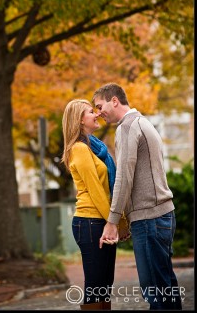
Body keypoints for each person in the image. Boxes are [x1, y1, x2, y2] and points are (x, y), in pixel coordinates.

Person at [92, 83, 182, 311]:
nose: (98, 112)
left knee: (156, 292)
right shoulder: (144, 123)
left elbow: (124, 176)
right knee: (166, 287)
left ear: (114, 100)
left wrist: (112, 221)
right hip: (162, 216)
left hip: (149, 219)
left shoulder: (127, 127)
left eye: (99, 106)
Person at [61, 99, 130, 311]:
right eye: (91, 112)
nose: (97, 114)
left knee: (104, 285)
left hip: (100, 220)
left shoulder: (94, 147)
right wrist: (118, 222)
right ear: (80, 121)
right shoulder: (79, 149)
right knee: (95, 285)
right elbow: (96, 191)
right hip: (90, 222)